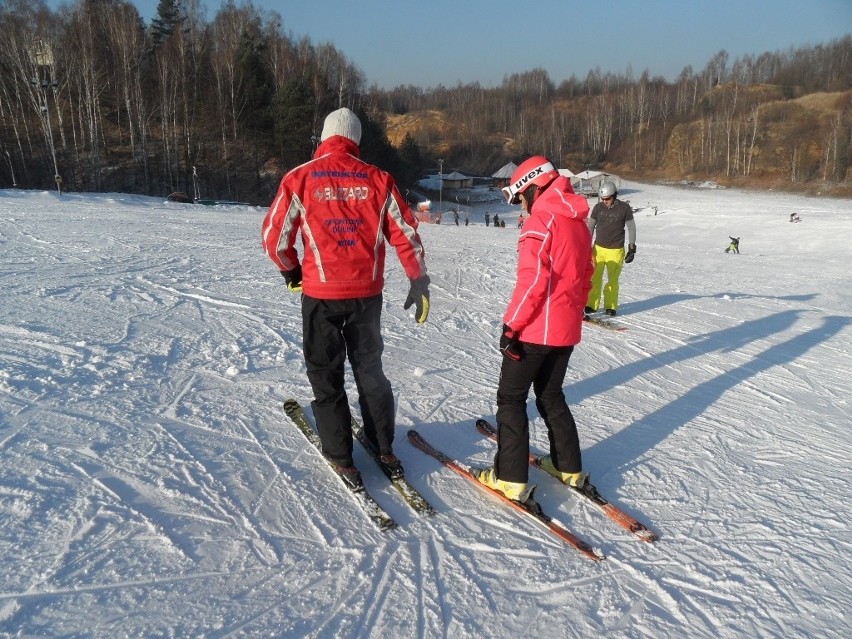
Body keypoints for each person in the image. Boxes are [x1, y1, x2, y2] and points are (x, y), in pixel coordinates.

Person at [261, 107, 430, 487]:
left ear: (323, 137)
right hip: (366, 298)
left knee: (326, 373)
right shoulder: (379, 179)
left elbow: (275, 238)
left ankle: (340, 455)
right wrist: (418, 280)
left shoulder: (299, 178)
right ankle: (383, 445)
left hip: (321, 296)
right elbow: (405, 233)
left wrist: (292, 272)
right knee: (370, 371)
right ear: (355, 140)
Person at [476, 156, 594, 501]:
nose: (520, 207)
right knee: (550, 395)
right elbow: (586, 277)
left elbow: (532, 282)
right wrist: (569, 316)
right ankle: (568, 466)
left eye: (520, 198)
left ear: (533, 187)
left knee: (511, 399)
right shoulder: (578, 222)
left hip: (534, 331)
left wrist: (511, 326)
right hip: (565, 331)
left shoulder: (542, 221)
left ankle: (510, 477)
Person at [585, 180, 636, 317]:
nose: (605, 201)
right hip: (598, 249)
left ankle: (610, 306)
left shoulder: (624, 208)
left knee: (612, 280)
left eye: (607, 199)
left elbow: (631, 227)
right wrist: (587, 245)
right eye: (603, 199)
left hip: (616, 250)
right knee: (595, 278)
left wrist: (632, 247)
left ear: (614, 195)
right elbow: (590, 227)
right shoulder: (598, 208)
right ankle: (591, 304)